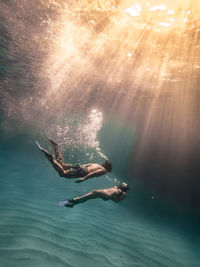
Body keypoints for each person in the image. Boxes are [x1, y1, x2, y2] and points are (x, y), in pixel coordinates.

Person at [35, 138, 112, 183]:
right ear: (107, 169)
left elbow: (87, 165)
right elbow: (94, 173)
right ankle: (51, 159)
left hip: (81, 167)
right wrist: (84, 178)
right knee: (63, 174)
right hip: (84, 171)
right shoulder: (104, 170)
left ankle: (56, 148)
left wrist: (78, 168)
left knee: (62, 165)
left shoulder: (97, 164)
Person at [59, 183, 130, 208]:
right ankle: (70, 203)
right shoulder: (118, 189)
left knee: (88, 195)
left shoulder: (124, 193)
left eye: (123, 185)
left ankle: (65, 203)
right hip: (104, 194)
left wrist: (110, 197)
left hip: (105, 194)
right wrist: (110, 197)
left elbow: (116, 201)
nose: (122, 185)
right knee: (86, 198)